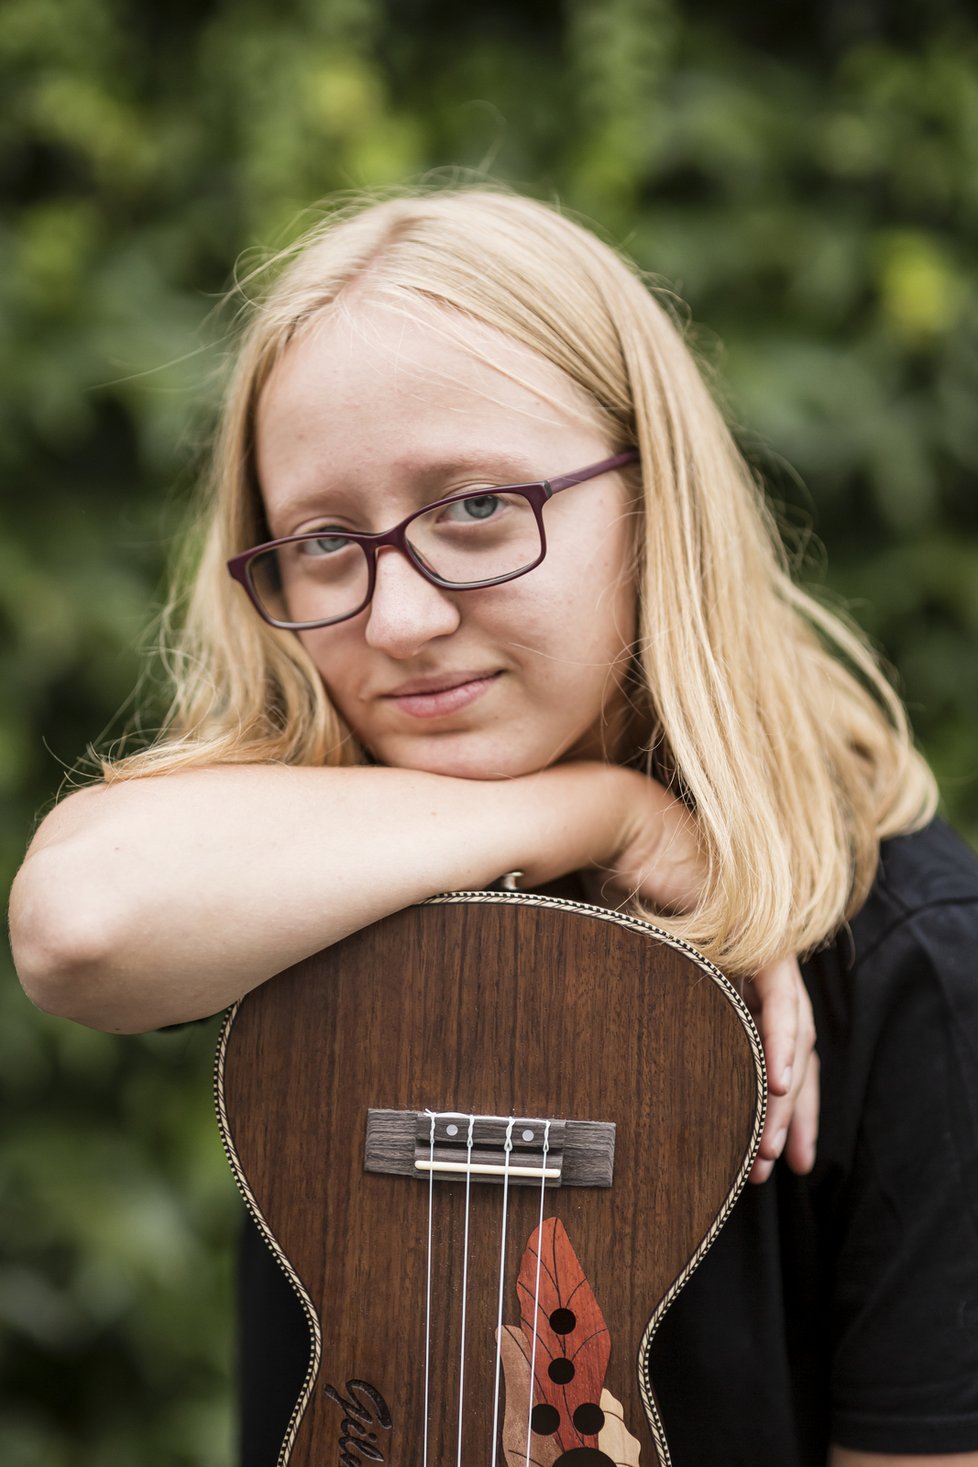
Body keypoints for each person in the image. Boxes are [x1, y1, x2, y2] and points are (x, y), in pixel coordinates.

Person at [9, 188, 978, 1467]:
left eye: (475, 508)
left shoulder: (911, 960)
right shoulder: (310, 851)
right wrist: (598, 809)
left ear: (656, 498)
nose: (399, 621)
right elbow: (80, 924)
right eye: (324, 541)